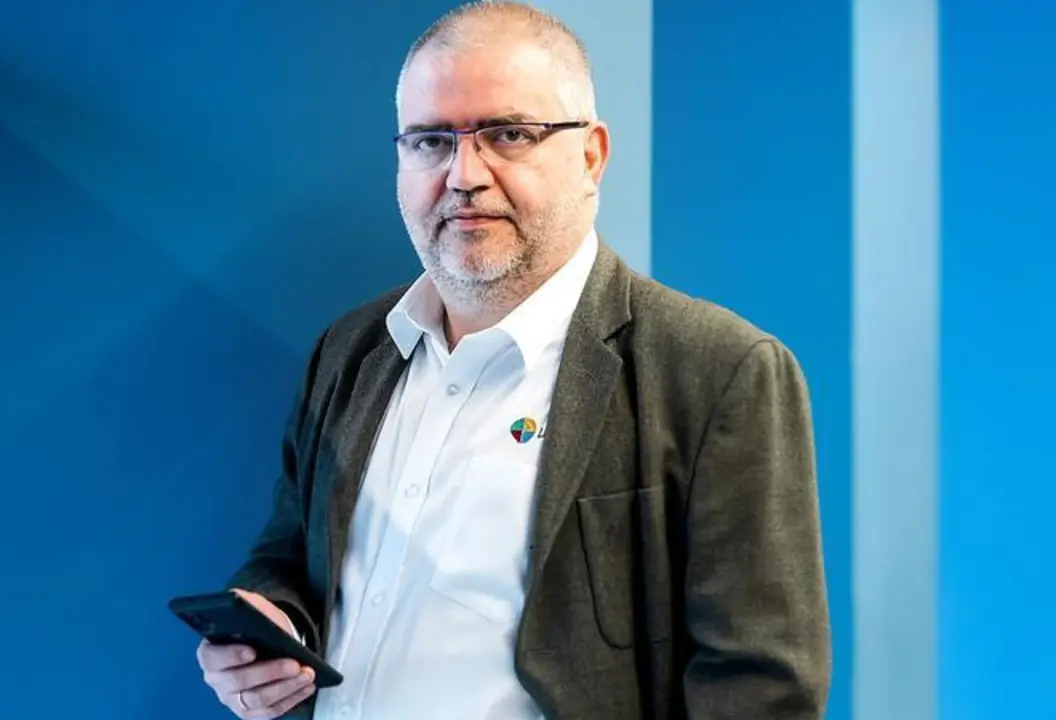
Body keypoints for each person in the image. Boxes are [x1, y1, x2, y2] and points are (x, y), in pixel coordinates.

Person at [195, 1, 831, 718]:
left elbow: (759, 689)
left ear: (591, 156)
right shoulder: (350, 351)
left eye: (509, 134)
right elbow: (287, 559)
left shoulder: (716, 371)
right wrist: (271, 629)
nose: (464, 175)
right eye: (431, 141)